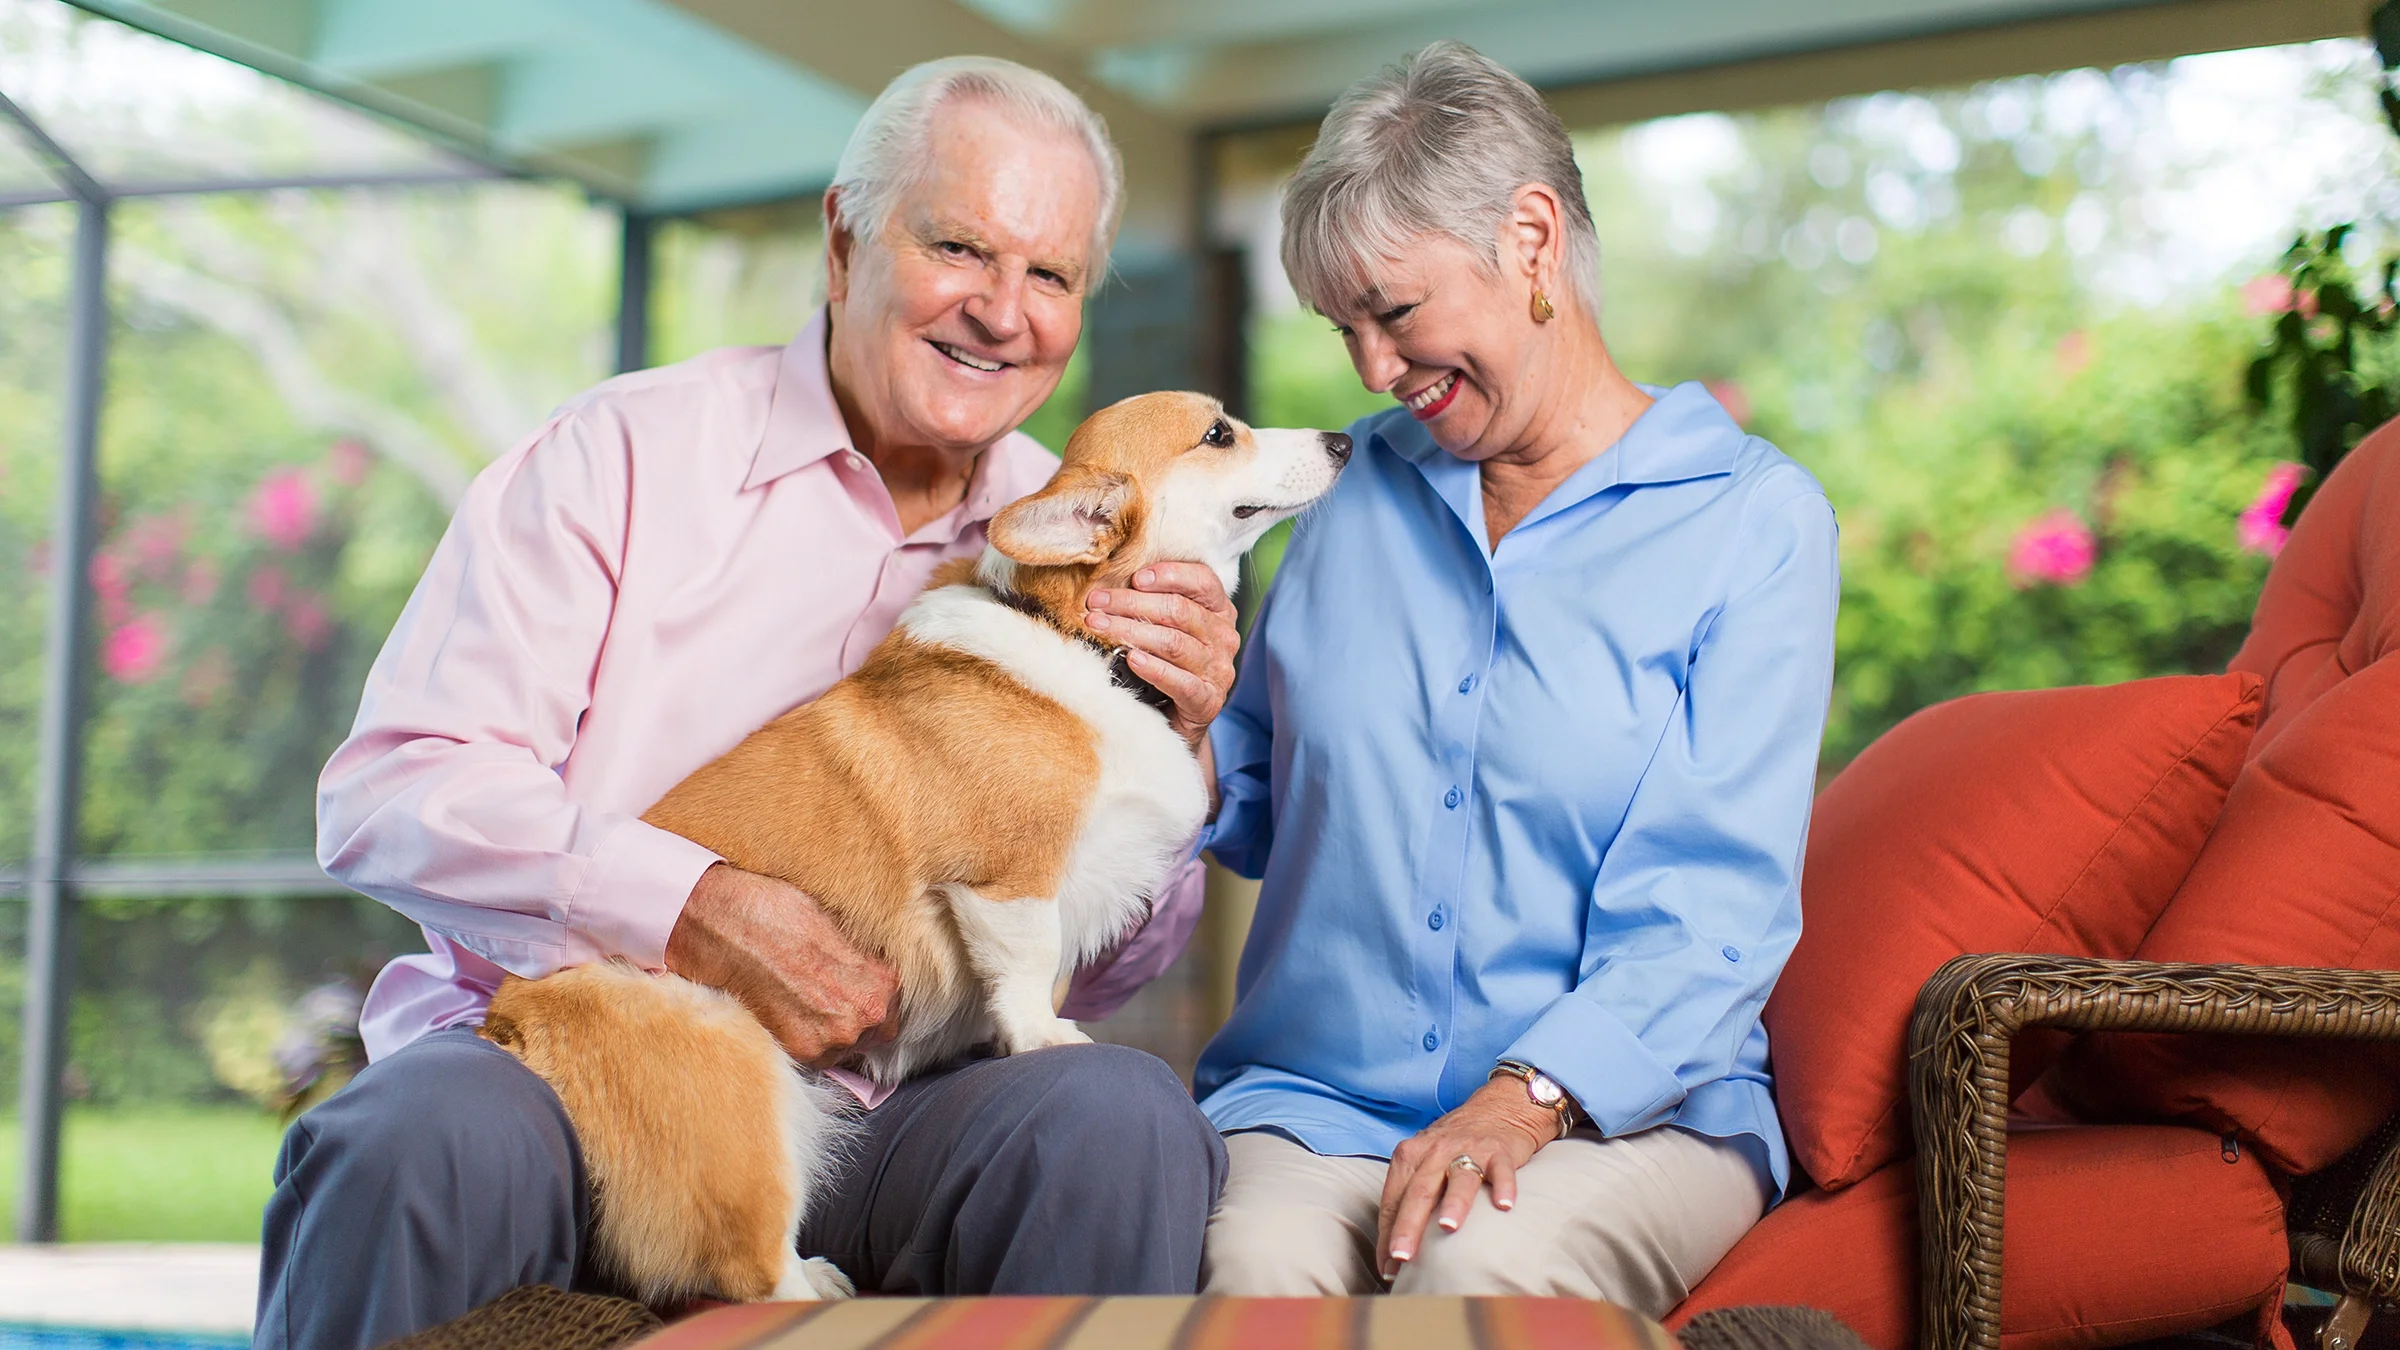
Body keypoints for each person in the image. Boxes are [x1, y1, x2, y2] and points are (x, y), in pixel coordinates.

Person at [257, 56, 1236, 1350]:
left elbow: (1107, 968)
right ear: (844, 239)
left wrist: (1172, 748)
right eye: (960, 247)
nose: (1004, 311)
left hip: (898, 1108)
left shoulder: (1091, 523)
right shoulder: (616, 458)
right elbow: (394, 784)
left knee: (1117, 1120)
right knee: (404, 1143)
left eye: (1050, 276)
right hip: (591, 1051)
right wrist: (685, 906)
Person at [1195, 41, 1839, 1315]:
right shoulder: (1345, 495)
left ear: (1532, 240)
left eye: (1395, 312)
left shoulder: (1753, 521)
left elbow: (1714, 906)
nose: (1373, 370)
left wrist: (1525, 1097)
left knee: (1475, 1270)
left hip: (1626, 1116)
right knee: (1254, 1273)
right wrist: (1161, 708)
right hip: (1315, 1100)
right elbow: (1253, 800)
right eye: (1344, 330)